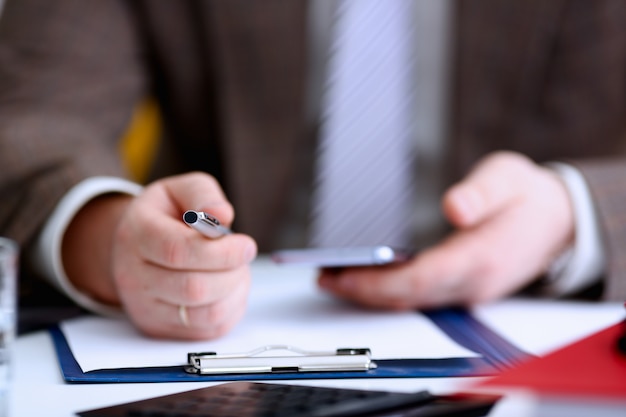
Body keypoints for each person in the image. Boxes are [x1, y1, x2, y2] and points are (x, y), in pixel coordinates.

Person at [0, 0, 625, 340]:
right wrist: (110, 238)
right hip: (226, 334)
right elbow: (32, 114)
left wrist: (573, 214)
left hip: (539, 321)